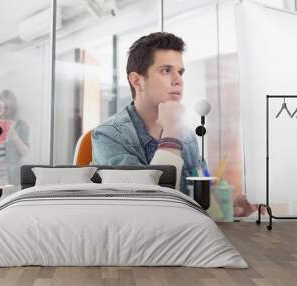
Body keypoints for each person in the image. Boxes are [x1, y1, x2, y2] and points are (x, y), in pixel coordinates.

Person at [92, 32, 262, 217]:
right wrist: (171, 134)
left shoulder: (187, 136)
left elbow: (196, 207)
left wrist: (226, 208)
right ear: (137, 81)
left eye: (180, 72)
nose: (178, 80)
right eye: (166, 70)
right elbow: (147, 209)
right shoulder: (108, 136)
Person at [0, 89, 29, 185]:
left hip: (14, 178)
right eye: (1, 108)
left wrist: (14, 137)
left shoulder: (21, 125)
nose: (4, 111)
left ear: (13, 107)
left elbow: (25, 152)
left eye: (7, 107)